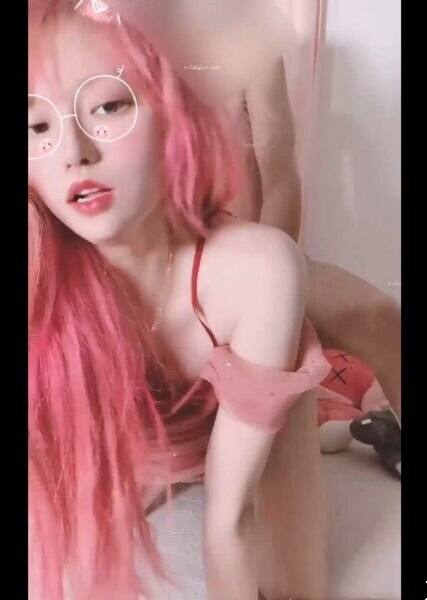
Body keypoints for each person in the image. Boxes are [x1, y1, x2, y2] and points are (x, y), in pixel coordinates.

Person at [28, 2, 331, 599]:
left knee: (346, 324)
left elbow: (229, 522)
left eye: (108, 106)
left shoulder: (254, 269)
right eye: (35, 127)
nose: (74, 152)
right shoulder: (43, 265)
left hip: (226, 295)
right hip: (133, 427)